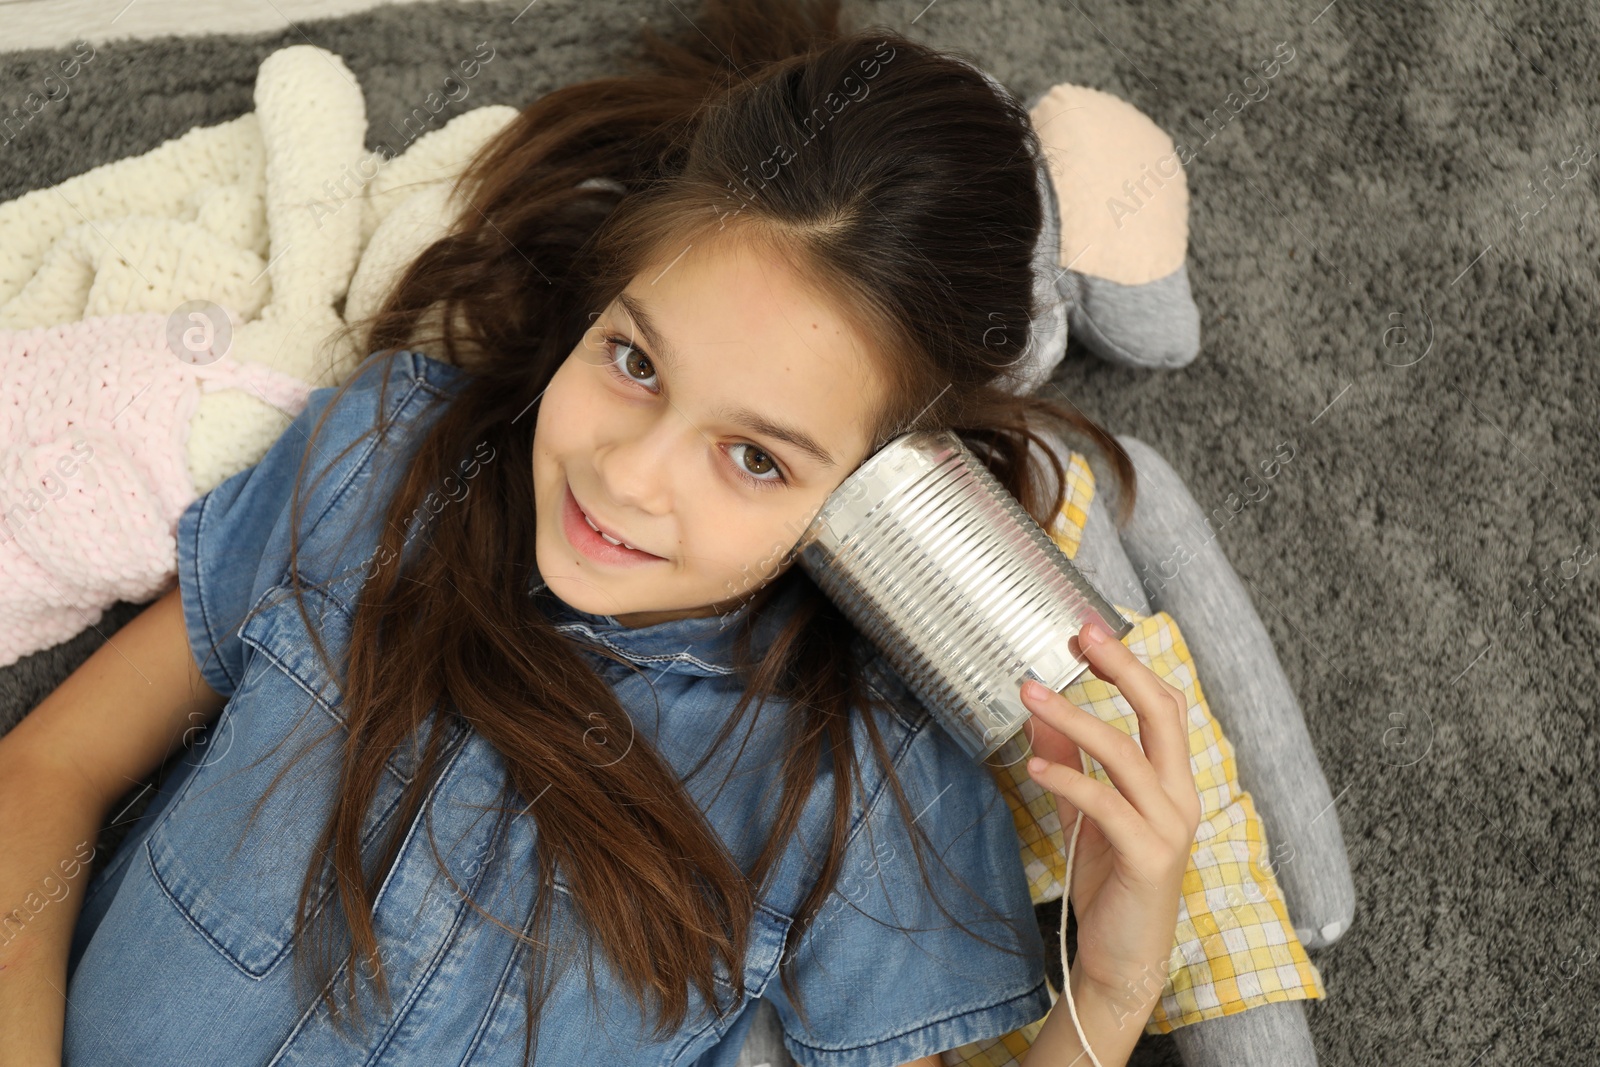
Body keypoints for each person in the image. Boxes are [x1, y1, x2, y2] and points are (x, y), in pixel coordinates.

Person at [0, 2, 1201, 1064]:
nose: (627, 479)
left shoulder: (856, 772)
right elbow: (49, 771)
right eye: (633, 360)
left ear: (887, 499)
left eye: (754, 456)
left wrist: (1108, 987)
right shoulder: (387, 465)